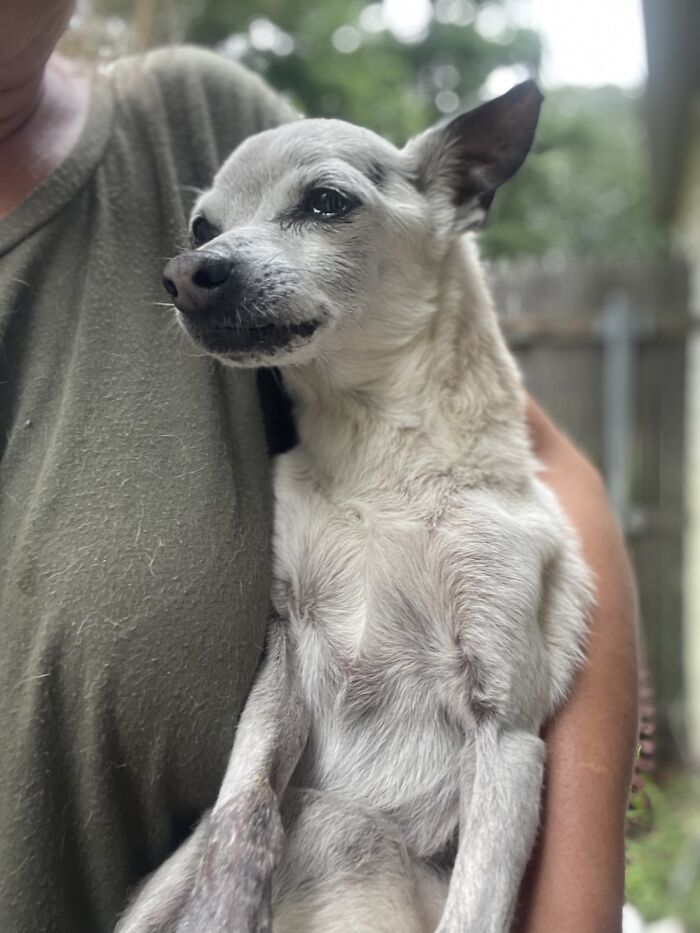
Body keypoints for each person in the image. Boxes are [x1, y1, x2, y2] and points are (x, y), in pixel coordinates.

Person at [0, 3, 638, 931]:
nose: (201, 265)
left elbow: (545, 476)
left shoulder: (205, 118)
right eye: (204, 231)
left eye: (323, 203)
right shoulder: (306, 484)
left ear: (459, 189)